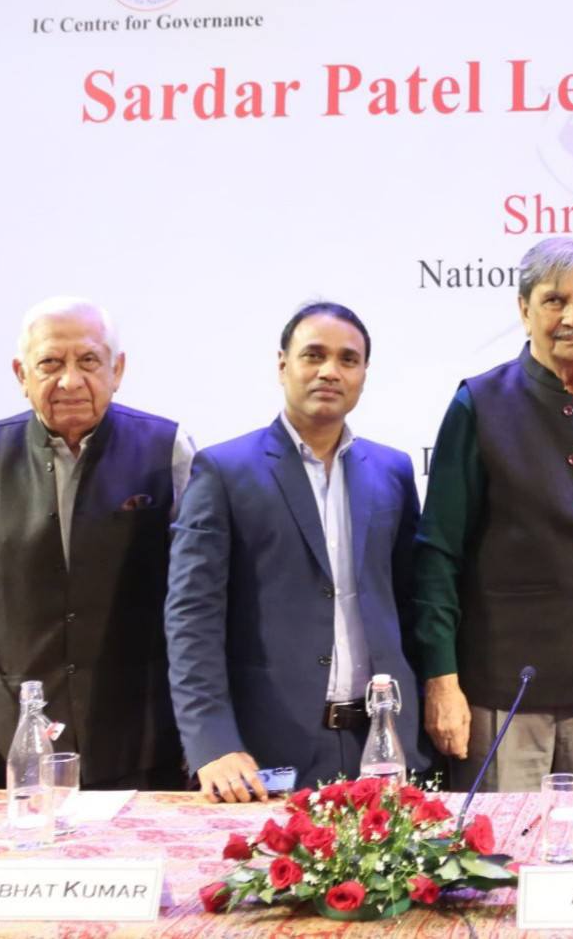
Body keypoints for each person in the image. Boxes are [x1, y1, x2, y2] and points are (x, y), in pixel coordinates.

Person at [413, 237, 573, 793]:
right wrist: (441, 680)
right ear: (524, 310)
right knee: (502, 841)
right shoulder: (478, 404)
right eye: (554, 301)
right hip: (505, 687)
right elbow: (438, 553)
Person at [165, 302, 425, 800]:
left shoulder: (391, 470)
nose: (330, 371)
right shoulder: (224, 471)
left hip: (383, 746)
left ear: (364, 374)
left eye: (348, 359)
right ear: (283, 364)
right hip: (266, 752)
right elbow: (191, 619)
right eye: (314, 355)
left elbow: (410, 602)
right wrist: (212, 742)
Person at [0, 296, 193, 791]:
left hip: (140, 738)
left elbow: (199, 602)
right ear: (21, 374)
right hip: (3, 744)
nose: (70, 381)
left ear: (118, 369)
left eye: (89, 361)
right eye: (50, 363)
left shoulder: (169, 450)